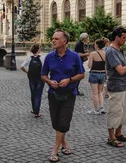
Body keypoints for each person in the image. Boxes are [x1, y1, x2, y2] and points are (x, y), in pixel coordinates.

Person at [41, 29, 85, 162]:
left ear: (64, 41)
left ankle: (55, 150)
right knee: (56, 122)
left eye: (56, 39)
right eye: (52, 38)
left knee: (64, 122)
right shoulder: (49, 57)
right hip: (53, 94)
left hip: (69, 94)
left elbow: (82, 74)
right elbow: (43, 75)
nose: (53, 40)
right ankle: (64, 144)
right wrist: (49, 81)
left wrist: (69, 80)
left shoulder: (74, 56)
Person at [20, 44, 44, 118]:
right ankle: (37, 112)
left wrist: (27, 72)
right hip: (40, 78)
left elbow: (21, 67)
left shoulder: (29, 58)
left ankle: (34, 109)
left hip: (32, 78)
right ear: (38, 50)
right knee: (38, 95)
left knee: (33, 94)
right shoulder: (42, 58)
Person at [87, 39, 106, 115]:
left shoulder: (92, 54)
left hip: (94, 73)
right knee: (100, 92)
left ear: (97, 45)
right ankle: (102, 107)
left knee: (94, 93)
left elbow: (89, 66)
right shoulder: (106, 53)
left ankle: (96, 109)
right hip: (102, 73)